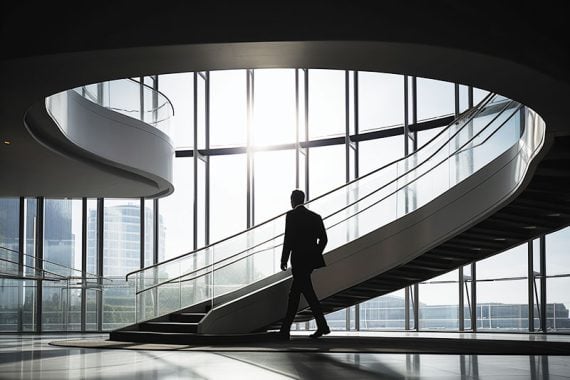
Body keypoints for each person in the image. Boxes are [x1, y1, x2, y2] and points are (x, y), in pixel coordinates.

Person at [279, 189, 330, 339]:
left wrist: (283, 259)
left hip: (298, 261)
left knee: (296, 295)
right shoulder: (315, 217)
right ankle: (322, 326)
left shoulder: (291, 216)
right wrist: (314, 255)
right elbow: (324, 239)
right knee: (304, 293)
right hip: (309, 263)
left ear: (293, 200)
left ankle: (285, 330)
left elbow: (288, 239)